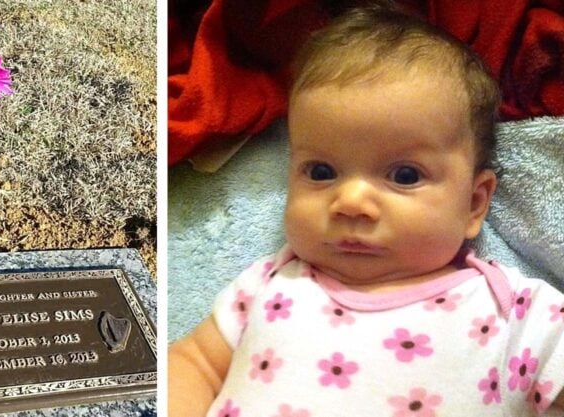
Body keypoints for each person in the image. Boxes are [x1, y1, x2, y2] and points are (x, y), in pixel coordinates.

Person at [168, 5, 564, 417]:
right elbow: (194, 364)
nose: (351, 202)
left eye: (405, 175)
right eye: (321, 171)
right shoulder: (267, 284)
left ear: (473, 204)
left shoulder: (513, 311)